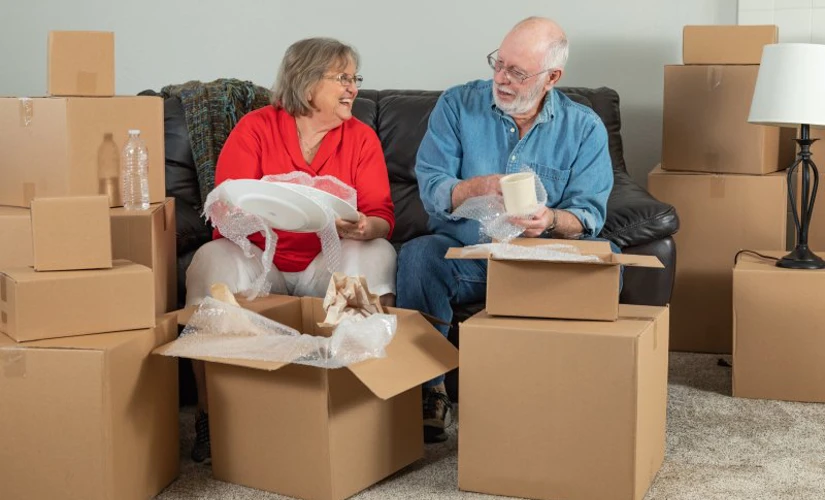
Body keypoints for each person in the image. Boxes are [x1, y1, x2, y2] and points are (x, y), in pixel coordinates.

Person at [396, 17, 616, 443]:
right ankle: (429, 390)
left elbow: (588, 214)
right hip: (468, 257)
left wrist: (549, 219)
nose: (501, 78)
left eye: (517, 72)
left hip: (540, 261)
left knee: (610, 264)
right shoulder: (458, 104)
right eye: (499, 63)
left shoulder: (584, 127)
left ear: (552, 77)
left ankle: (564, 389)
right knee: (419, 254)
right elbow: (431, 187)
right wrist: (477, 187)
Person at [184, 37, 396, 463]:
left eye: (355, 78)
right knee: (210, 260)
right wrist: (275, 212)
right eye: (343, 78)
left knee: (376, 253)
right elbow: (226, 207)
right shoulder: (256, 128)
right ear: (306, 82)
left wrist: (363, 226)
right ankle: (213, 415)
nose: (353, 88)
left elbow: (383, 216)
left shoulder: (362, 138)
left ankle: (360, 399)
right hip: (263, 263)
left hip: (326, 265)